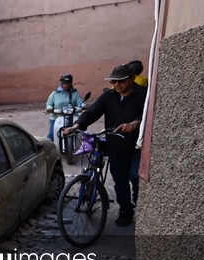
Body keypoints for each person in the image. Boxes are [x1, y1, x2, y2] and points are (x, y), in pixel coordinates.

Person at [65, 64, 147, 226]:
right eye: (114, 82)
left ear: (132, 78)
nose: (117, 85)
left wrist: (136, 123)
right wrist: (76, 126)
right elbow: (93, 111)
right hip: (115, 144)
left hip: (137, 146)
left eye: (121, 81)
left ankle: (143, 207)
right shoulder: (109, 96)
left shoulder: (143, 94)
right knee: (119, 179)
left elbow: (148, 114)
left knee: (135, 176)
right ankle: (125, 210)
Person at [45, 73, 85, 139]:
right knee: (51, 136)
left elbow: (80, 103)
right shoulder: (55, 93)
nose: (66, 85)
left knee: (81, 133)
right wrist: (50, 109)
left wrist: (83, 106)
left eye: (68, 84)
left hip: (73, 116)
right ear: (61, 83)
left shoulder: (75, 93)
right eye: (64, 83)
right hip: (57, 117)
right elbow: (49, 104)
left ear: (71, 83)